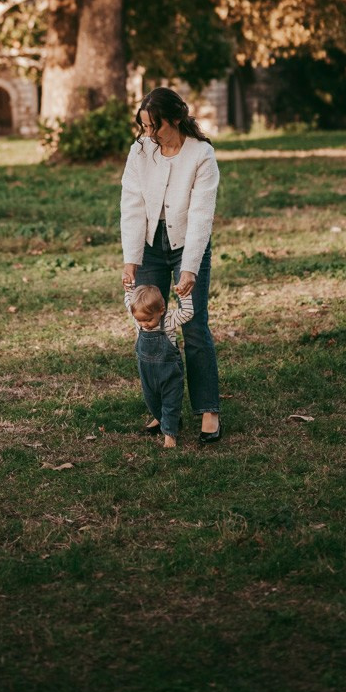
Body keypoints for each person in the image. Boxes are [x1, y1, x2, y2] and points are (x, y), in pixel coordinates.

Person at [120, 87, 222, 443]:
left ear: (175, 118)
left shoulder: (201, 155)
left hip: (186, 247)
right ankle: (163, 411)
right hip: (149, 246)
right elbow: (132, 203)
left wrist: (190, 267)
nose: (150, 134)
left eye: (155, 126)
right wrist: (131, 259)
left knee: (193, 326)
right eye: (144, 126)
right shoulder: (141, 151)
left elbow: (200, 215)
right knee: (147, 327)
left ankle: (208, 409)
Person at [125, 283, 194, 449]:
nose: (144, 324)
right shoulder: (139, 320)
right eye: (139, 320)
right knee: (152, 401)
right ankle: (169, 420)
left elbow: (187, 313)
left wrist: (184, 295)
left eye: (148, 320)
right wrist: (128, 287)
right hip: (147, 373)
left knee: (170, 401)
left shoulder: (168, 319)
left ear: (161, 310)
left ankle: (170, 434)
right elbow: (128, 302)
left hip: (169, 372)